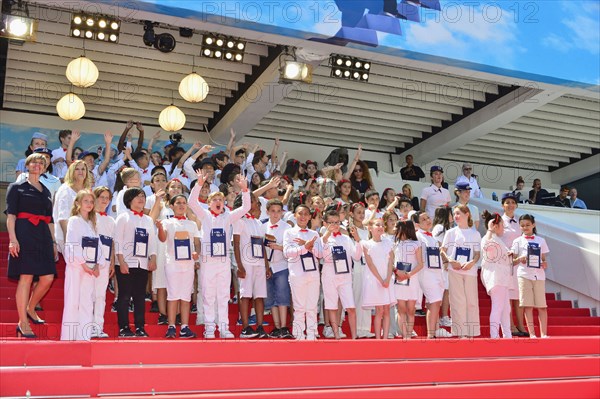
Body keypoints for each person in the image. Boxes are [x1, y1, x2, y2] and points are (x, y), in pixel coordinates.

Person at [189, 170, 250, 339]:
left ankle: (223, 327)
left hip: (223, 261)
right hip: (208, 261)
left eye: (221, 200)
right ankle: (209, 327)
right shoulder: (205, 215)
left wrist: (245, 190)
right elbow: (192, 202)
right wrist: (199, 184)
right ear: (209, 203)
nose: (218, 202)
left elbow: (246, 207)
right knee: (208, 294)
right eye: (215, 199)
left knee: (223, 295)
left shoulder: (228, 217)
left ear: (224, 203)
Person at [7, 153, 57, 338]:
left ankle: (30, 306)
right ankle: (23, 322)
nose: (38, 165)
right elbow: (11, 216)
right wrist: (13, 239)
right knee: (26, 278)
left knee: (48, 277)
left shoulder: (46, 191)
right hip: (24, 232)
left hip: (43, 234)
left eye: (41, 163)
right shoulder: (16, 187)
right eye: (34, 162)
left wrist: (53, 242)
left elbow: (50, 220)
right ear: (27, 165)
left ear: (45, 168)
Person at [114, 187, 158, 338]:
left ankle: (140, 327)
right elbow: (118, 240)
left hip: (142, 264)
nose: (141, 199)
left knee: (140, 297)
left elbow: (151, 241)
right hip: (126, 262)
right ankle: (124, 327)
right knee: (124, 296)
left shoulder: (148, 220)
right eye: (137, 196)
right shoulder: (123, 217)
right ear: (129, 200)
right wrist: (121, 261)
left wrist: (153, 257)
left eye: (143, 196)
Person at [157, 195, 201, 339]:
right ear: (172, 205)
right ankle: (171, 326)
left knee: (186, 296)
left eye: (184, 203)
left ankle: (184, 327)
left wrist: (197, 253)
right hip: (173, 264)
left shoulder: (192, 224)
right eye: (178, 203)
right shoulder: (167, 222)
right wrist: (159, 228)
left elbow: (197, 243)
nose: (181, 206)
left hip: (188, 265)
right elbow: (162, 239)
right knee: (173, 295)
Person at [61, 190, 100, 341]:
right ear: (77, 203)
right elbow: (71, 244)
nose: (89, 204)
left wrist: (96, 264)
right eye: (86, 201)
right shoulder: (74, 221)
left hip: (90, 269)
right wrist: (83, 264)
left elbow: (98, 246)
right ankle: (68, 337)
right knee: (73, 301)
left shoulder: (92, 224)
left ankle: (84, 337)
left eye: (91, 201)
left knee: (87, 302)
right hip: (77, 267)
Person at [233, 192, 271, 339]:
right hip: (246, 264)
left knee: (260, 296)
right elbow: (236, 244)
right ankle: (245, 327)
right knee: (245, 295)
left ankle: (260, 326)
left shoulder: (258, 223)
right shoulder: (239, 221)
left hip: (259, 264)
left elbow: (261, 245)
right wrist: (239, 265)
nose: (257, 203)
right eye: (254, 201)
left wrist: (266, 265)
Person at [283, 204, 324, 340]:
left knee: (312, 307)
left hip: (313, 274)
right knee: (300, 307)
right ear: (295, 215)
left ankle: (312, 333)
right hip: (297, 274)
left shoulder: (314, 234)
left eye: (306, 214)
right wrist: (304, 248)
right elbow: (287, 253)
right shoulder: (289, 232)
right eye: (300, 213)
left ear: (310, 217)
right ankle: (299, 333)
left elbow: (320, 254)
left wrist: (310, 247)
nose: (303, 217)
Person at [320, 210, 362, 339]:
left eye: (337, 222)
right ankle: (336, 334)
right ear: (325, 223)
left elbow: (356, 256)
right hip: (329, 276)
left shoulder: (346, 239)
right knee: (332, 306)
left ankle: (354, 337)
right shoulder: (322, 239)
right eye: (331, 223)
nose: (334, 225)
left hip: (345, 277)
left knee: (350, 307)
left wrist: (358, 240)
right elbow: (322, 255)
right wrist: (326, 237)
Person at [440, 205, 481, 338]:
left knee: (471, 301)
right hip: (455, 270)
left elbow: (477, 254)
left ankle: (472, 332)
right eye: (454, 214)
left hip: (470, 271)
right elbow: (442, 250)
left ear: (467, 214)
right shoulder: (451, 232)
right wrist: (451, 261)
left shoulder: (475, 233)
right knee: (457, 301)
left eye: (458, 213)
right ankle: (460, 332)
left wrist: (472, 263)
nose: (456, 216)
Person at [512, 214, 550, 338]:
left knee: (541, 306)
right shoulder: (517, 241)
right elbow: (512, 261)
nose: (525, 227)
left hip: (538, 275)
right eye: (522, 225)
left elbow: (543, 260)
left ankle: (544, 334)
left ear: (533, 224)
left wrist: (543, 264)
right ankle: (532, 334)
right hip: (523, 275)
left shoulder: (541, 240)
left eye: (528, 225)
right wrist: (520, 259)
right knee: (527, 305)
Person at [414, 211, 448, 338]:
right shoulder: (418, 236)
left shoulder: (432, 237)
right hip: (426, 273)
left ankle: (434, 330)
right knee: (434, 301)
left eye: (428, 217)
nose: (428, 220)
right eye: (423, 219)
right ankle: (430, 334)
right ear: (417, 224)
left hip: (437, 272)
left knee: (433, 303)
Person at [480, 211, 513, 339]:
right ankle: (494, 335)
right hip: (496, 278)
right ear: (495, 225)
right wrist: (489, 229)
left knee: (506, 308)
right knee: (498, 307)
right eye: (502, 225)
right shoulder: (488, 238)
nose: (503, 228)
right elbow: (486, 247)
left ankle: (507, 334)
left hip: (502, 278)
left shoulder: (498, 240)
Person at [263, 199, 293, 338]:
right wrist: (266, 266)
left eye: (278, 211)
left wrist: (279, 247)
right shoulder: (263, 226)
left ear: (282, 212)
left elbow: (291, 248)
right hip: (268, 267)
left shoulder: (287, 228)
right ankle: (276, 327)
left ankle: (284, 326)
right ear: (267, 212)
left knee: (282, 295)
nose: (275, 214)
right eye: (273, 211)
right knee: (271, 298)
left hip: (282, 265)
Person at [500, 193, 528, 337]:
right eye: (507, 202)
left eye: (513, 202)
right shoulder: (499, 221)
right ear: (502, 205)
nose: (510, 205)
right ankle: (510, 325)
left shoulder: (520, 221)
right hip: (506, 263)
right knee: (509, 296)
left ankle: (521, 324)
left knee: (519, 295)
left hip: (520, 263)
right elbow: (496, 241)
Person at [361, 218, 394, 340]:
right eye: (377, 225)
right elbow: (370, 264)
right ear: (370, 228)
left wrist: (388, 278)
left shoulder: (388, 242)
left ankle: (385, 337)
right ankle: (378, 339)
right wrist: (381, 280)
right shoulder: (366, 244)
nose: (380, 227)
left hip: (387, 279)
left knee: (386, 309)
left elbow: (391, 261)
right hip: (375, 279)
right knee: (379, 309)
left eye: (382, 225)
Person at [392, 220, 423, 340]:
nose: (395, 230)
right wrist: (397, 272)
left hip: (412, 279)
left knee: (411, 309)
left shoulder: (416, 244)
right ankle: (404, 335)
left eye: (397, 228)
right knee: (401, 309)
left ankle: (409, 334)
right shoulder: (395, 244)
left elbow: (420, 264)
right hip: (399, 279)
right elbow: (391, 263)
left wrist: (409, 274)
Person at [53, 160, 92, 254]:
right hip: (69, 237)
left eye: (83, 169)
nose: (80, 171)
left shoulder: (87, 190)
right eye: (77, 169)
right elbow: (63, 218)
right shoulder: (65, 190)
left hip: (84, 237)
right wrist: (68, 242)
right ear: (71, 172)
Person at [92, 186, 115, 338]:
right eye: (102, 197)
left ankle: (98, 327)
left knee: (100, 295)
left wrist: (112, 262)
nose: (105, 200)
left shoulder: (111, 220)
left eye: (107, 197)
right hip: (90, 262)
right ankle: (86, 325)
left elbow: (113, 242)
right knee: (88, 295)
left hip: (105, 263)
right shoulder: (89, 217)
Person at [431, 206, 453, 328]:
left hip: (445, 263)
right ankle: (442, 317)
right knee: (443, 291)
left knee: (446, 290)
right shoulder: (439, 228)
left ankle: (444, 316)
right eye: (451, 214)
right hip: (441, 264)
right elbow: (439, 245)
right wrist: (445, 261)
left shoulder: (448, 229)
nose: (453, 217)